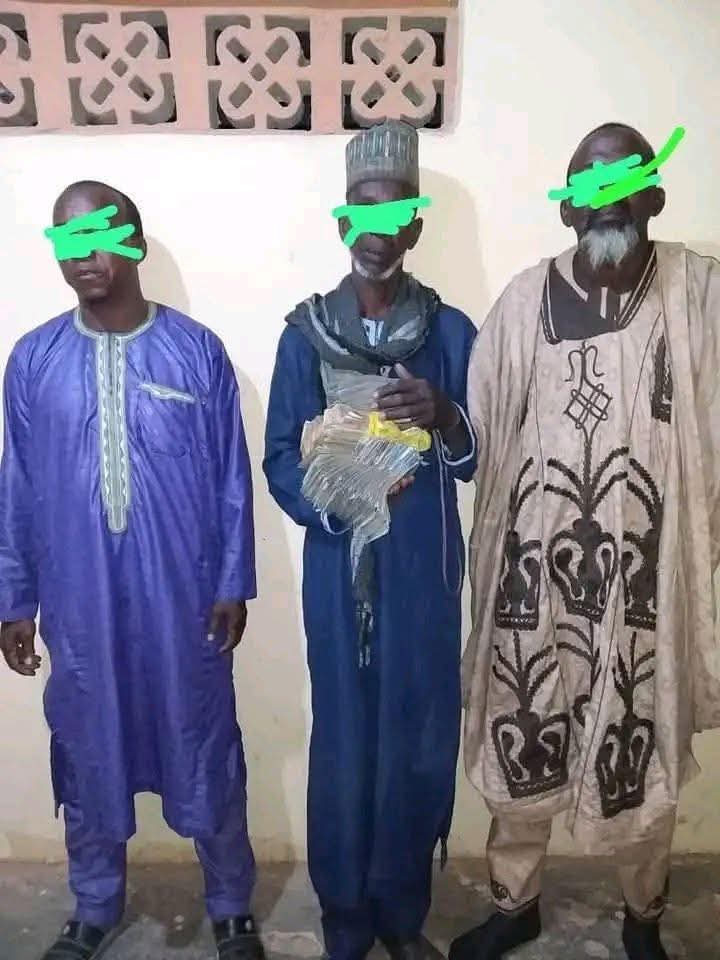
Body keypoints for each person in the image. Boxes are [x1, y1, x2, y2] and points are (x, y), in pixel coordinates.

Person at [452, 123, 720, 960]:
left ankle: (644, 914)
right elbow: (480, 432)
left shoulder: (699, 297)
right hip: (534, 573)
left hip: (648, 574)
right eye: (587, 188)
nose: (606, 201)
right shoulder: (521, 301)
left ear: (654, 197)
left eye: (623, 183)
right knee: (522, 719)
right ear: (567, 208)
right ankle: (515, 901)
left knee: (643, 734)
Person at [0, 181, 264, 960]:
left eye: (100, 237)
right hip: (79, 600)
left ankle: (231, 904)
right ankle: (95, 903)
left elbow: (231, 478)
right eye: (67, 241)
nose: (83, 256)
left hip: (183, 598)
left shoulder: (196, 351)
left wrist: (232, 582)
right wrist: (14, 599)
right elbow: (17, 485)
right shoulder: (34, 361)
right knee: (89, 744)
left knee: (204, 742)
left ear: (136, 243)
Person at [263, 120, 477, 960]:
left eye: (395, 215)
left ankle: (401, 913)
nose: (377, 233)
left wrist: (446, 413)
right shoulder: (305, 335)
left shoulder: (451, 333)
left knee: (417, 738)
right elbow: (280, 458)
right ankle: (345, 917)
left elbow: (478, 458)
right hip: (338, 572)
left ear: (415, 227)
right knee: (347, 744)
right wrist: (341, 495)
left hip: (422, 573)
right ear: (343, 221)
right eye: (363, 212)